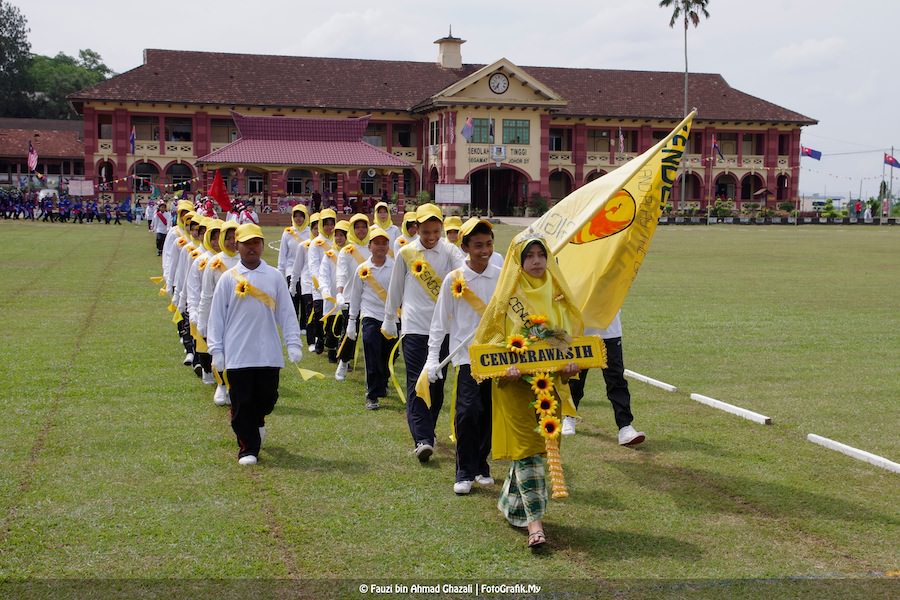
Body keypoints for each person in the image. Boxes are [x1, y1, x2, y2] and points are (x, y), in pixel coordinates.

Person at [472, 234, 583, 549]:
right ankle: (535, 525)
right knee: (528, 450)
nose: (536, 261)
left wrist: (569, 368)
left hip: (550, 387)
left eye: (541, 255)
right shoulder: (508, 299)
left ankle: (510, 504)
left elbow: (565, 344)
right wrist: (502, 368)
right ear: (518, 263)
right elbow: (491, 342)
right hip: (514, 388)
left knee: (543, 447)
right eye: (529, 256)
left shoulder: (557, 296)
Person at [207, 223, 303, 465]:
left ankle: (258, 421)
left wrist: (293, 343)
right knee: (242, 403)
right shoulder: (227, 279)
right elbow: (216, 317)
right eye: (246, 243)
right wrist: (216, 351)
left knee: (267, 398)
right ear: (237, 246)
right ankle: (248, 448)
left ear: (262, 245)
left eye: (255, 243)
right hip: (238, 353)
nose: (251, 248)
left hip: (268, 352)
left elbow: (287, 312)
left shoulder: (274, 276)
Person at [383, 203, 465, 463]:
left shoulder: (450, 251)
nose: (431, 237)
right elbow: (395, 288)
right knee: (416, 382)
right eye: (426, 232)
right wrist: (389, 318)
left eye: (436, 231)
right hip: (414, 327)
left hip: (443, 329)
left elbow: (465, 274)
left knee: (437, 384)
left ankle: (428, 428)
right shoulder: (406, 253)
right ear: (416, 228)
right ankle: (422, 438)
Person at [425, 218, 500, 495]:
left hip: (496, 356)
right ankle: (464, 471)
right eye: (478, 245)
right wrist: (433, 358)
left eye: (488, 244)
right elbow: (439, 322)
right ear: (465, 247)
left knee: (488, 414)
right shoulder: (453, 279)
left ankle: (481, 465)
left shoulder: (501, 277)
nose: (484, 250)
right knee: (468, 412)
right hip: (466, 357)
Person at [564, 310, 646, 446]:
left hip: (610, 331)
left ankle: (625, 427)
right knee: (575, 379)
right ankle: (569, 416)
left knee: (616, 380)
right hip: (579, 329)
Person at [345, 227, 394, 409]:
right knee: (372, 353)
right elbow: (355, 296)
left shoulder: (395, 267)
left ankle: (383, 382)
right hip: (370, 316)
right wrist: (352, 321)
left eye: (384, 243)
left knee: (388, 354)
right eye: (377, 243)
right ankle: (372, 394)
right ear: (370, 246)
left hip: (391, 318)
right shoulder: (362, 269)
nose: (380, 247)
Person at [197, 220, 241, 406]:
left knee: (237, 354)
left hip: (240, 317)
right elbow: (206, 295)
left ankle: (234, 387)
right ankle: (221, 385)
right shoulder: (214, 263)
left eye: (235, 237)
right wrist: (202, 321)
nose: (232, 242)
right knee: (220, 353)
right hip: (219, 316)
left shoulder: (245, 261)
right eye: (228, 238)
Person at [334, 213, 370, 380]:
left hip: (370, 298)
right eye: (357, 227)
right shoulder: (346, 251)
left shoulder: (373, 246)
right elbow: (341, 273)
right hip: (349, 297)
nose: (361, 230)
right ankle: (343, 361)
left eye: (364, 227)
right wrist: (340, 293)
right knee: (350, 333)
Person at [318, 219, 350, 363]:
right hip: (332, 295)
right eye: (336, 235)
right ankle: (331, 351)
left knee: (345, 326)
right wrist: (324, 289)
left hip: (347, 295)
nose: (338, 238)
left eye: (342, 235)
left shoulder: (351, 252)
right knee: (332, 325)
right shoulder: (329, 254)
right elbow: (323, 274)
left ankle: (344, 356)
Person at [307, 208, 337, 354]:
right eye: (326, 224)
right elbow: (313, 266)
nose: (329, 227)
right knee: (319, 315)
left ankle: (331, 342)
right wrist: (321, 285)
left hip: (335, 286)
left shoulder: (338, 240)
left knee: (333, 316)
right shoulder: (315, 243)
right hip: (319, 287)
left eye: (332, 224)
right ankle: (319, 337)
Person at [278, 204, 310, 320]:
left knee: (305, 300)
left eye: (301, 216)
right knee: (293, 300)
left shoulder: (310, 232)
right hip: (291, 270)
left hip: (305, 271)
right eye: (296, 216)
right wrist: (281, 274)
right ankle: (293, 324)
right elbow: (282, 255)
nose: (298, 218)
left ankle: (303, 325)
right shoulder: (287, 233)